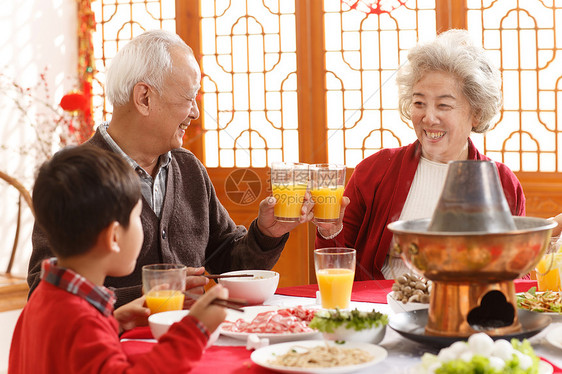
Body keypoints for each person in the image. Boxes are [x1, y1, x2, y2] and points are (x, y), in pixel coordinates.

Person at [27, 29, 313, 307]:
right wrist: (150, 295)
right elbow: (44, 291)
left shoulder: (189, 168)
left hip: (187, 346)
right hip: (113, 349)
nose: (196, 112)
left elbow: (228, 262)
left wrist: (266, 233)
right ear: (144, 98)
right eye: (189, 97)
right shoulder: (75, 176)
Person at [315, 29, 525, 281]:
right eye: (419, 103)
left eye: (444, 105)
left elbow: (517, 275)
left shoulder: (502, 182)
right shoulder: (376, 170)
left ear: (477, 113)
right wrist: (330, 230)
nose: (428, 117)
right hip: (385, 310)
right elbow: (336, 264)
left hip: (468, 312)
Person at [10, 146, 229, 373]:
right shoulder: (82, 322)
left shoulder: (45, 299)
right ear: (114, 237)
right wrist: (195, 330)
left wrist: (113, 322)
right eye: (137, 216)